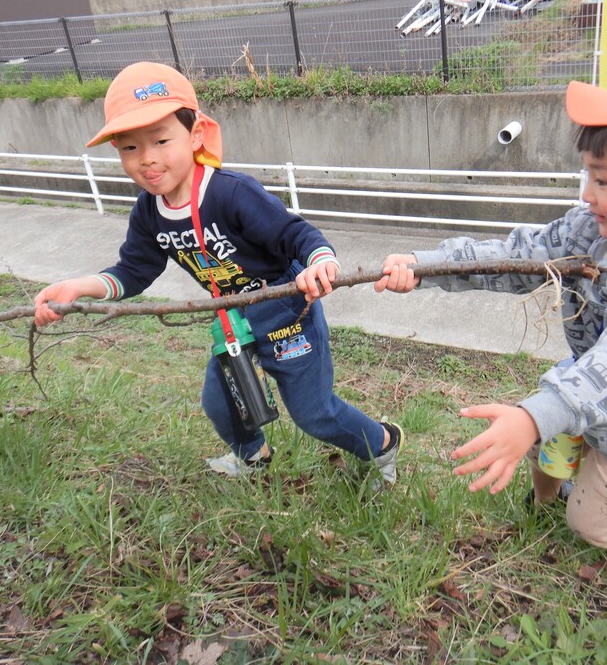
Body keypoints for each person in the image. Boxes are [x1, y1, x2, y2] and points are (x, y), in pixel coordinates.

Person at [374, 73, 607, 566]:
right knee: (544, 444)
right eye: (587, 175)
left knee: (590, 519)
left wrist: (533, 416)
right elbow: (516, 257)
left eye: (604, 179)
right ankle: (545, 500)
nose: (588, 193)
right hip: (582, 395)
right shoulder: (591, 229)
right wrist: (426, 266)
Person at [34, 62, 402, 484]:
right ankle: (253, 457)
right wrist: (79, 287)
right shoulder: (148, 212)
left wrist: (320, 260)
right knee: (220, 400)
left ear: (195, 135)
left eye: (160, 140)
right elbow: (133, 271)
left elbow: (294, 234)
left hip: (285, 308)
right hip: (231, 319)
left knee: (313, 413)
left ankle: (383, 445)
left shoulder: (230, 193)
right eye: (129, 148)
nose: (147, 159)